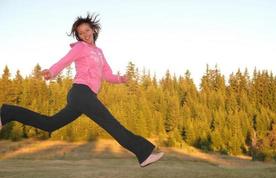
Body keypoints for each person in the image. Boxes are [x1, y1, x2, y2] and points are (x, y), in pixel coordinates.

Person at [0, 13, 164, 167]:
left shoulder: (99, 52)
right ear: (78, 36)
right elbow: (65, 60)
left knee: (49, 124)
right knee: (112, 124)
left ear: (93, 29)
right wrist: (51, 72)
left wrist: (121, 79)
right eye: (81, 33)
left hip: (82, 97)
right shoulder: (80, 47)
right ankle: (143, 153)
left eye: (87, 30)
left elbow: (106, 74)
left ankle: (6, 113)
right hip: (81, 92)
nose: (85, 34)